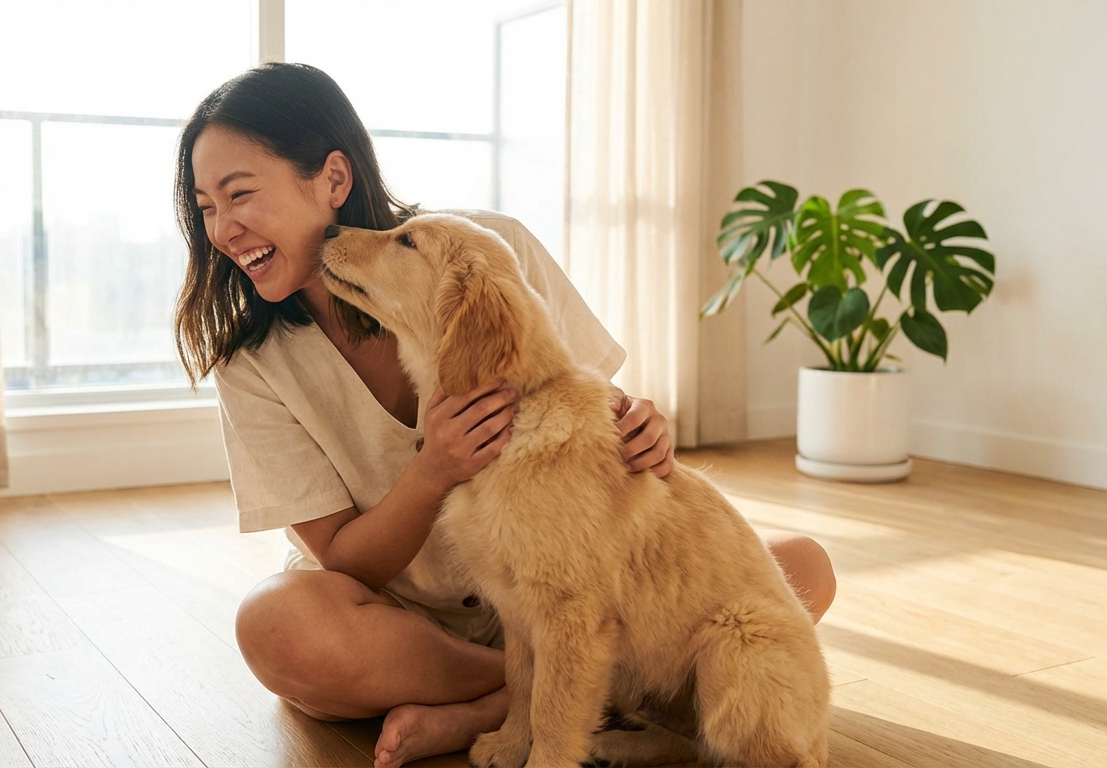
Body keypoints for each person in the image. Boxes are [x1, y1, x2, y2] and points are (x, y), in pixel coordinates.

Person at [173, 63, 836, 768]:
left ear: (333, 179)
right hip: (406, 623)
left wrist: (641, 423)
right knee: (278, 629)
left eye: (239, 194)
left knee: (801, 568)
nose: (223, 229)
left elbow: (587, 404)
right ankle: (534, 691)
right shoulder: (251, 361)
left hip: (572, 589)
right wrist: (433, 472)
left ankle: (539, 694)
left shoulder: (486, 250)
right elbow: (341, 558)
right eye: (206, 207)